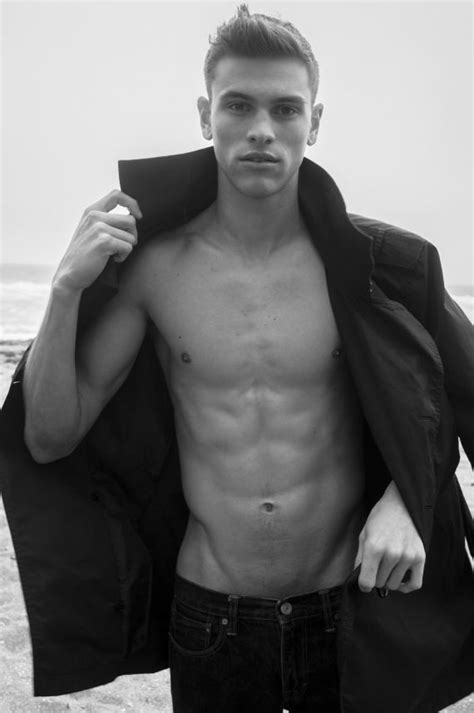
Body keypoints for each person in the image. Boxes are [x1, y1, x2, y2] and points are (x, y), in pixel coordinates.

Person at [1, 5, 473, 713]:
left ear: (314, 123)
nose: (261, 129)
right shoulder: (157, 271)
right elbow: (48, 436)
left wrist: (409, 499)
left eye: (285, 109)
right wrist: (66, 290)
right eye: (238, 105)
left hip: (347, 609)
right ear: (205, 115)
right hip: (211, 621)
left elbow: (442, 397)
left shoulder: (378, 268)